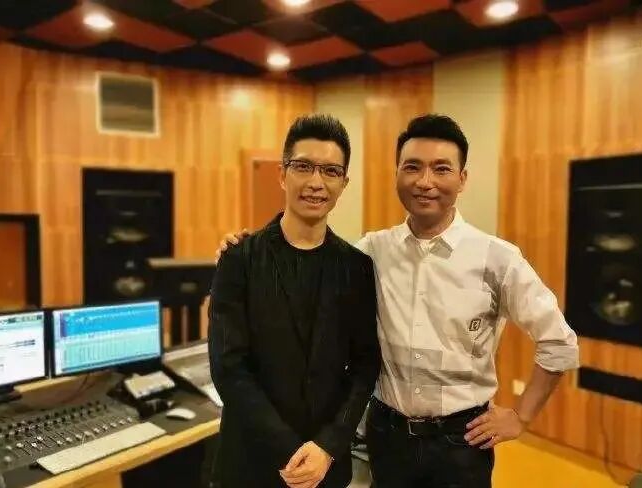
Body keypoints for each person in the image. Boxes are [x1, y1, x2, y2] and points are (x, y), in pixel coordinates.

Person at [216, 113, 579, 487]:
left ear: (462, 179)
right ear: (397, 175)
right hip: (387, 438)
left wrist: (521, 417)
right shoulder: (372, 252)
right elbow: (309, 260)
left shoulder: (497, 258)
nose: (425, 182)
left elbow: (560, 343)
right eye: (413, 167)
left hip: (462, 442)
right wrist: (241, 249)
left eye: (441, 169)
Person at [208, 114, 381, 488]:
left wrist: (328, 445)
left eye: (331, 171)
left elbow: (366, 365)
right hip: (250, 465)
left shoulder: (357, 268)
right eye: (304, 166)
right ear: (282, 174)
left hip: (325, 467)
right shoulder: (239, 260)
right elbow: (228, 368)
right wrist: (291, 450)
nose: (316, 182)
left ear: (344, 183)